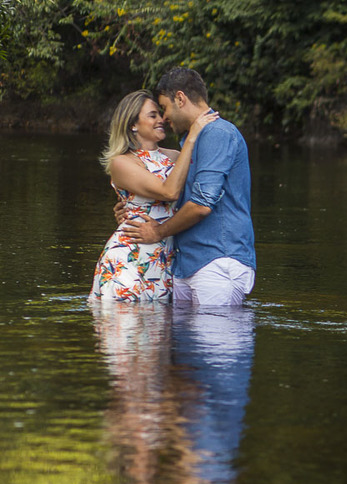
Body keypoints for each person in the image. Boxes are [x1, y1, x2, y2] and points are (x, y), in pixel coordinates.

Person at [123, 68, 256, 306]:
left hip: (217, 261)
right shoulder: (191, 141)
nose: (164, 118)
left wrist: (158, 232)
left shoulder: (217, 133)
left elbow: (202, 205)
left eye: (164, 108)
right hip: (186, 264)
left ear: (180, 98)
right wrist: (131, 209)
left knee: (214, 329)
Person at [90, 89, 216, 302]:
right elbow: (169, 192)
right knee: (123, 321)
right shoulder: (121, 162)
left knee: (157, 323)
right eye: (153, 115)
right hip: (129, 256)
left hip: (164, 259)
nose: (162, 119)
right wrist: (192, 136)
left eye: (160, 113)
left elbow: (200, 194)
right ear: (133, 124)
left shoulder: (175, 157)